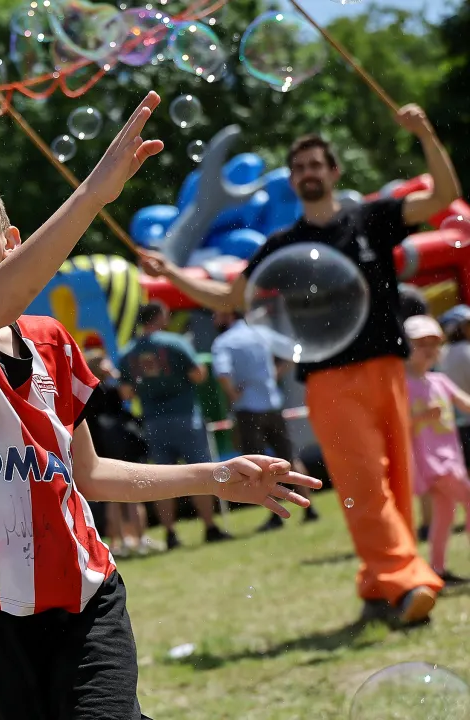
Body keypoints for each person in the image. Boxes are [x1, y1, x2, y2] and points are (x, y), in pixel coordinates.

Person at [0, 92, 318, 719]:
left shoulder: (53, 342)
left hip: (89, 591)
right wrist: (91, 195)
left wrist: (215, 475)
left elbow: (89, 474)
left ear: (12, 241)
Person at [141, 104, 461, 626]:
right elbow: (228, 299)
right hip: (329, 380)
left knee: (396, 483)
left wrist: (425, 134)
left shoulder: (372, 218)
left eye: (317, 164)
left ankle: (381, 586)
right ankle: (407, 581)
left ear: (334, 171)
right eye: (300, 167)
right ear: (293, 180)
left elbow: (444, 198)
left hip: (387, 369)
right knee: (364, 486)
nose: (309, 173)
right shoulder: (282, 246)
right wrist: (172, 273)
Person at [118, 301, 233, 548]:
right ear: (159, 317)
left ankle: (170, 533)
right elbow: (198, 374)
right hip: (185, 415)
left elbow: (126, 392)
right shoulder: (175, 343)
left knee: (161, 480)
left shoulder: (128, 352)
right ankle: (210, 527)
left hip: (153, 421)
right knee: (201, 473)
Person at [211, 308, 318, 532]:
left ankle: (275, 515)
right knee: (289, 456)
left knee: (257, 466)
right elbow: (293, 349)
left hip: (248, 409)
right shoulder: (260, 333)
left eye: (217, 314)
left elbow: (222, 373)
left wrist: (232, 394)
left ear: (229, 315)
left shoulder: (223, 342)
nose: (214, 319)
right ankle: (310, 507)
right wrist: (275, 373)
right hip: (272, 404)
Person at [403, 315, 470, 582]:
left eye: (434, 343)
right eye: (421, 344)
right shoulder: (402, 385)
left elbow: (465, 403)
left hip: (450, 459)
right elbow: (396, 426)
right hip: (434, 464)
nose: (429, 349)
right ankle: (437, 569)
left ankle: (437, 570)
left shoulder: (439, 381)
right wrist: (420, 417)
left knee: (444, 515)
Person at [82, 347, 157, 556]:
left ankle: (118, 542)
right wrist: (115, 375)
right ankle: (140, 540)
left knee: (111, 498)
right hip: (121, 443)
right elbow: (129, 393)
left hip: (99, 444)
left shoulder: (85, 389)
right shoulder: (111, 387)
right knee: (132, 492)